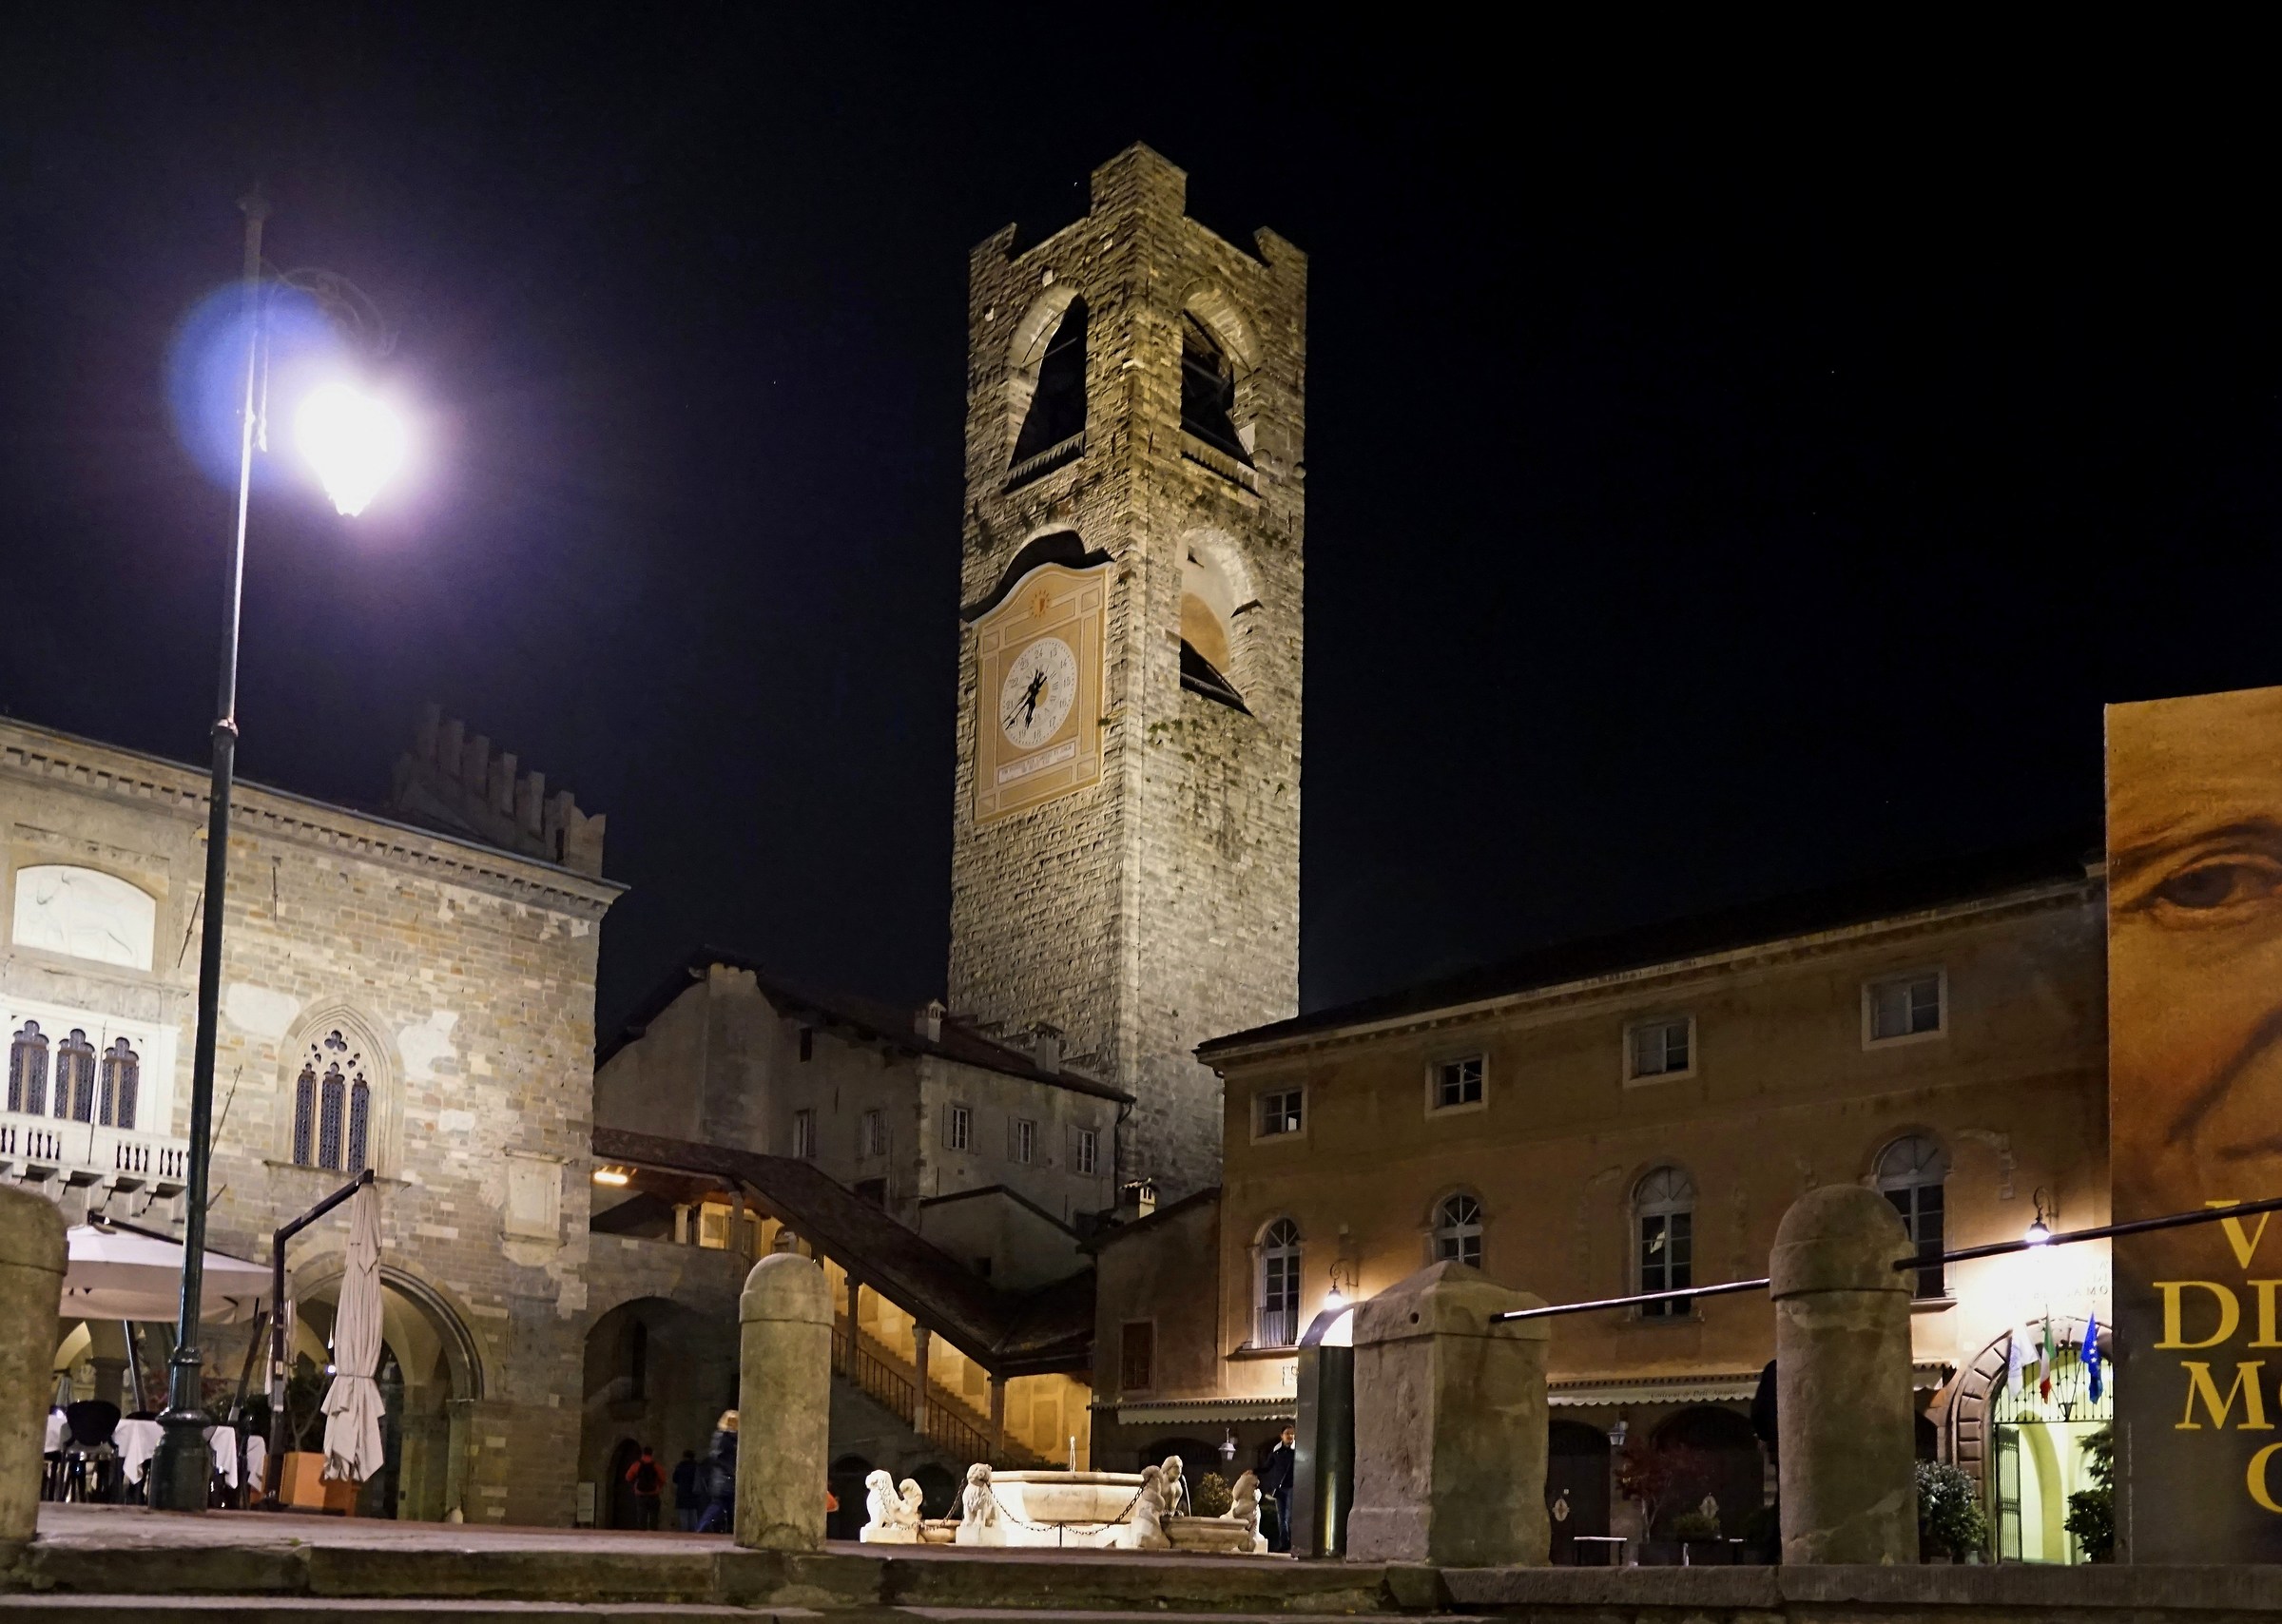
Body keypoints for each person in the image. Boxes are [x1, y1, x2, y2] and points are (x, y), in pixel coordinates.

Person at [695, 1410, 738, 1535]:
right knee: (719, 1504)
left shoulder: (731, 1438)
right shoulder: (723, 1437)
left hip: (726, 1477)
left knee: (726, 1505)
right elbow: (716, 1457)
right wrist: (730, 1470)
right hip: (723, 1478)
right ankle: (702, 1527)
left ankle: (730, 1530)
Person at [1257, 1424, 1296, 1553]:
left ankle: (1293, 1544)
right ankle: (1284, 1543)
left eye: (1292, 1433)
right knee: (1282, 1517)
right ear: (1282, 1436)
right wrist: (1253, 1471)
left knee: (1290, 1516)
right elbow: (1267, 1467)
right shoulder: (1276, 1451)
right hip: (1279, 1489)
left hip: (1292, 1487)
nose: (1290, 1436)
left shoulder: (1297, 1450)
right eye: (1287, 1433)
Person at [624, 1444, 664, 1530]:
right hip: (654, 1493)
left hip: (640, 1493)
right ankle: (653, 1532)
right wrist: (658, 1487)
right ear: (652, 1453)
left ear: (642, 1453)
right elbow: (663, 1479)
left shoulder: (637, 1465)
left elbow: (628, 1477)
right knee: (654, 1514)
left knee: (641, 1513)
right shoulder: (656, 1466)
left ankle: (642, 1532)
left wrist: (635, 1485)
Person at [671, 1449, 700, 1533]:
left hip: (682, 1493)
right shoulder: (696, 1466)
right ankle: (694, 1534)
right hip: (694, 1493)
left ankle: (685, 1534)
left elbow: (675, 1479)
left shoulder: (680, 1466)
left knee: (684, 1517)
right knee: (693, 1516)